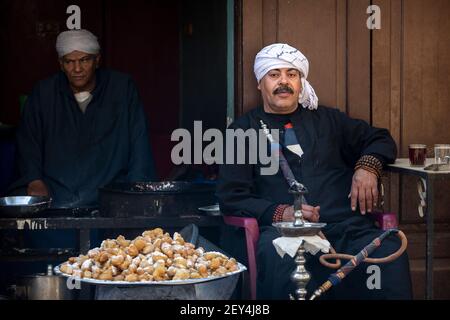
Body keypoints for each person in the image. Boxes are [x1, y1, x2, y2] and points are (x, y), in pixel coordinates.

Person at [216, 43, 412, 299]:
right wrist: (281, 213)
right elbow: (231, 196)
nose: (284, 82)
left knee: (387, 251)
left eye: (292, 74)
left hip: (345, 229)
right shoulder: (241, 132)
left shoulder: (330, 120)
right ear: (260, 83)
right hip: (284, 234)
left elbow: (380, 139)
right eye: (274, 75)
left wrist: (368, 166)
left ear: (300, 81)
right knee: (280, 259)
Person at [9, 29, 156, 207]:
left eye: (84, 60)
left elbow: (138, 141)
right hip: (57, 195)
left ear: (97, 60)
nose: (77, 69)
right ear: (61, 64)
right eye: (69, 62)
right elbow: (28, 142)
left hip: (110, 194)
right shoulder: (44, 93)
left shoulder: (121, 88)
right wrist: (33, 179)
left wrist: (136, 191)